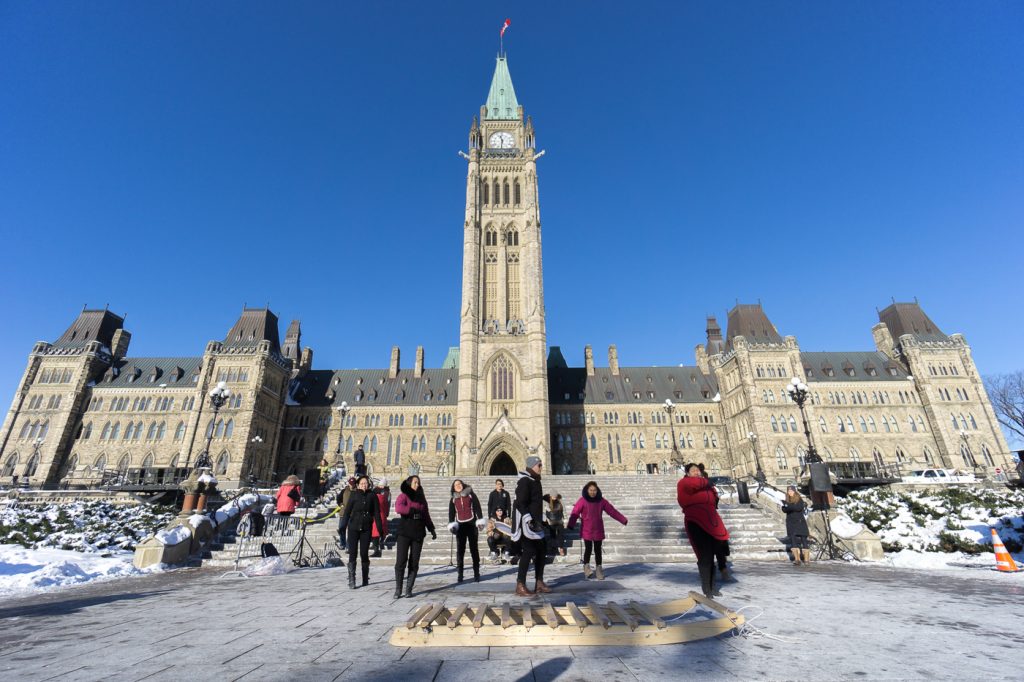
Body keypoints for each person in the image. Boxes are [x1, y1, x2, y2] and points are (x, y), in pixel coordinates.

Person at [677, 463, 730, 598]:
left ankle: (713, 587)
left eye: (698, 470)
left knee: (712, 553)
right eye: (693, 470)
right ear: (687, 473)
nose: (696, 472)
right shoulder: (684, 482)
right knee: (704, 555)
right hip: (696, 520)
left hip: (711, 519)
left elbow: (713, 500)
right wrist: (707, 482)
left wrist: (713, 492)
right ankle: (706, 588)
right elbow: (694, 485)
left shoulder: (706, 485)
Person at [567, 482, 628, 580]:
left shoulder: (601, 501)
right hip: (587, 529)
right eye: (590, 490)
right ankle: (586, 567)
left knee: (598, 550)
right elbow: (575, 512)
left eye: (594, 490)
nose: (592, 492)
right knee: (588, 549)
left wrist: (622, 519)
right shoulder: (582, 501)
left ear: (597, 490)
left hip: (598, 529)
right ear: (587, 490)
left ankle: (599, 569)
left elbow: (612, 511)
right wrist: (571, 524)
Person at [393, 475, 436, 598]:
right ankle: (398, 589)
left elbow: (426, 513)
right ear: (409, 484)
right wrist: (410, 510)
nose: (417, 484)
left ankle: (409, 589)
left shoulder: (421, 497)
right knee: (401, 561)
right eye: (415, 482)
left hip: (418, 530)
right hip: (405, 529)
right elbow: (398, 507)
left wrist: (431, 528)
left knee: (414, 562)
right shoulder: (404, 495)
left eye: (418, 482)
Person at [512, 456, 549, 596]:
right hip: (526, 523)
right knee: (528, 552)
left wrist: (544, 499)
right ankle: (520, 584)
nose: (541, 467)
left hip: (536, 522)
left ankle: (539, 582)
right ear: (532, 466)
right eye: (539, 465)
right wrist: (528, 519)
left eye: (541, 465)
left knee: (541, 550)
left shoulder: (535, 481)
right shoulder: (524, 481)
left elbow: (533, 500)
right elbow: (520, 502)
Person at [339, 475, 379, 589]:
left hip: (366, 528)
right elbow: (347, 512)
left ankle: (365, 577)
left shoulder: (372, 495)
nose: (364, 485)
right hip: (353, 527)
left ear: (369, 484)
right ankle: (352, 579)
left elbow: (376, 513)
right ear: (358, 484)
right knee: (353, 553)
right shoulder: (354, 495)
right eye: (362, 483)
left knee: (364, 553)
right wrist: (343, 526)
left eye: (365, 483)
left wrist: (380, 528)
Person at [448, 479, 484, 583]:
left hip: (472, 524)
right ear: (453, 488)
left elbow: (477, 507)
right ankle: (460, 574)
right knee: (460, 550)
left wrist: (480, 520)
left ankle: (476, 573)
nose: (458, 486)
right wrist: (451, 524)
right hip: (460, 526)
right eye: (456, 485)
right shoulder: (453, 499)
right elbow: (451, 513)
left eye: (459, 484)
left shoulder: (471, 494)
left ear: (463, 485)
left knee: (474, 549)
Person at [782, 486, 811, 565]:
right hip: (791, 522)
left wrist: (788, 506)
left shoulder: (799, 499)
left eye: (791, 491)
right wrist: (786, 506)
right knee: (793, 540)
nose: (790, 492)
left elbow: (797, 508)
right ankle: (797, 559)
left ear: (794, 491)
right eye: (789, 491)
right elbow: (784, 509)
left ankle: (806, 560)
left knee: (803, 540)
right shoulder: (787, 500)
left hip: (800, 522)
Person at [371, 478, 391, 557]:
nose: (380, 486)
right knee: (379, 531)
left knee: (375, 533)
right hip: (382, 515)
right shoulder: (386, 494)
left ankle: (377, 550)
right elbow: (387, 505)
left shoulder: (375, 494)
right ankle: (379, 544)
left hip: (377, 516)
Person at [543, 493, 567, 559]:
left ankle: (561, 548)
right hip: (551, 521)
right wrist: (546, 519)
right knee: (552, 535)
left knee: (561, 535)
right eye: (553, 496)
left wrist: (565, 519)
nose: (554, 497)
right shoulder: (547, 502)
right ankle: (553, 549)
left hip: (559, 520)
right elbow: (545, 512)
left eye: (555, 496)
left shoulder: (560, 501)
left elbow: (564, 510)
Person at [336, 477, 357, 549]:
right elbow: (338, 498)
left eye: (353, 484)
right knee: (341, 528)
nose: (351, 485)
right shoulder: (344, 490)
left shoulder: (357, 491)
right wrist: (340, 504)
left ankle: (348, 545)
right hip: (343, 513)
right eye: (350, 483)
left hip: (352, 514)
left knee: (351, 530)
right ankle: (343, 543)